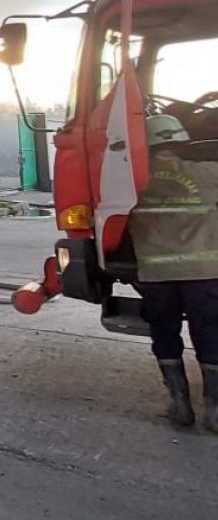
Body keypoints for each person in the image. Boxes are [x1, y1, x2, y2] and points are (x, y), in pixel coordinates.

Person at [128, 114, 218, 431]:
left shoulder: (131, 181)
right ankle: (216, 411)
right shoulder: (209, 172)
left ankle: (180, 405)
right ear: (181, 140)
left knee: (164, 335)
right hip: (204, 273)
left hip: (155, 275)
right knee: (210, 335)